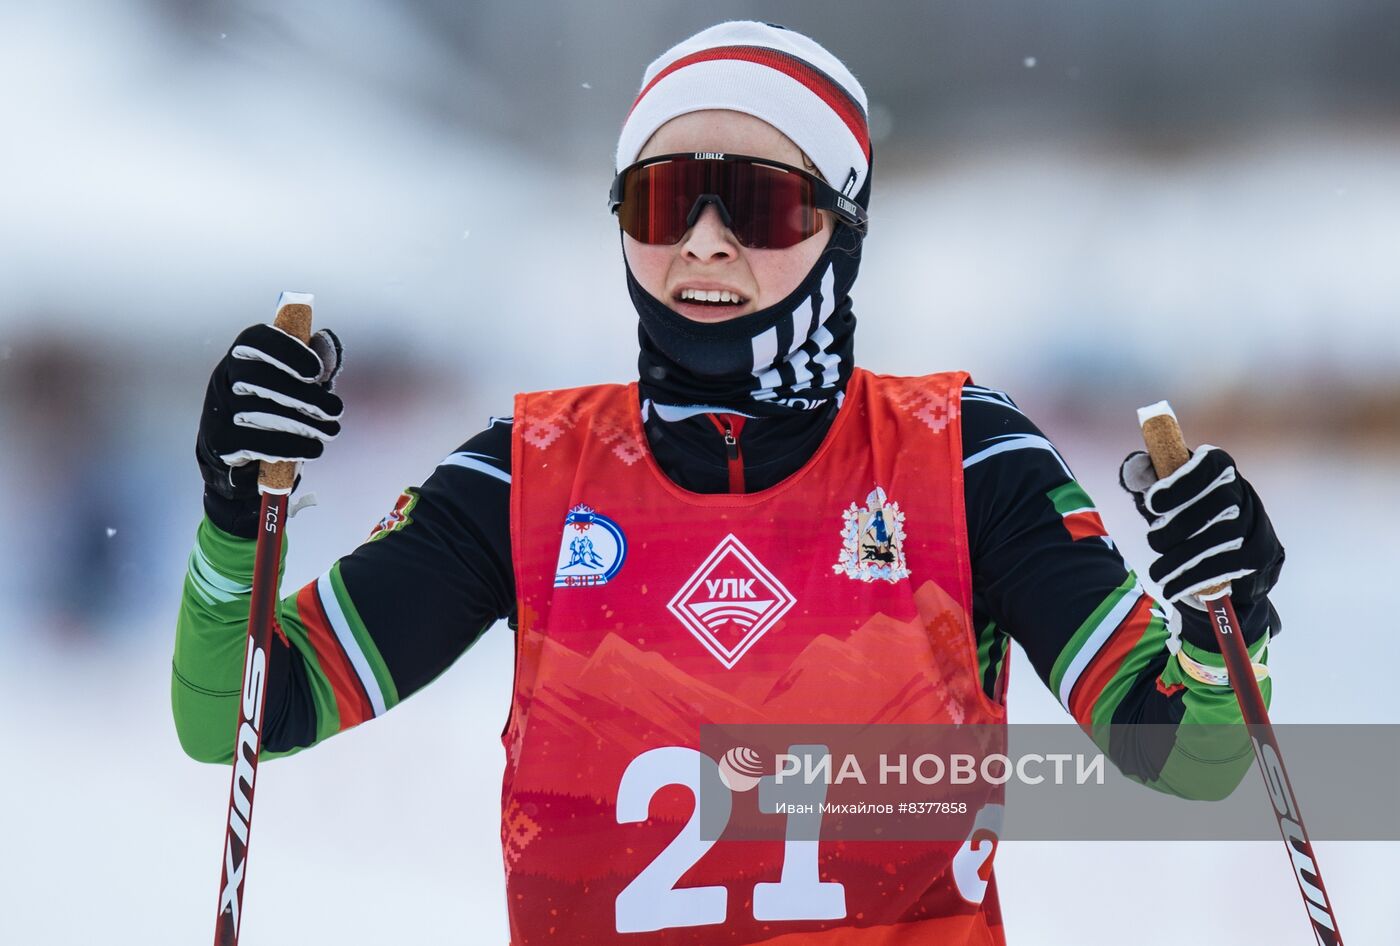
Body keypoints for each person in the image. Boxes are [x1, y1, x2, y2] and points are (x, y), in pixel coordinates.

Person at [173, 21, 1285, 945]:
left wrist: (1220, 615)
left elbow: (1186, 755)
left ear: (840, 226)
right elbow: (232, 718)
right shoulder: (523, 476)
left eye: (753, 204)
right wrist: (233, 515)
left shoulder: (961, 458)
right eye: (664, 201)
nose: (703, 245)